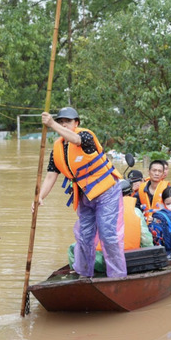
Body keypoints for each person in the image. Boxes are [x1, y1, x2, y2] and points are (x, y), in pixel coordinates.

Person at [36, 107, 127, 278]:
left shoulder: (85, 136)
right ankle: (84, 274)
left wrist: (52, 124)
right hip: (85, 196)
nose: (64, 125)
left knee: (108, 236)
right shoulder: (57, 149)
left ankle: (117, 276)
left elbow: (75, 139)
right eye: (61, 121)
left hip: (106, 192)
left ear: (76, 123)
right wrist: (40, 197)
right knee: (84, 237)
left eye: (67, 122)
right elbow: (50, 177)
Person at [68, 179, 153, 274]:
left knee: (73, 248)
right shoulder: (136, 211)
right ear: (130, 194)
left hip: (100, 261)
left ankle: (78, 272)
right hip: (130, 258)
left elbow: (84, 237)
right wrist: (150, 255)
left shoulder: (97, 209)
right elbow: (146, 240)